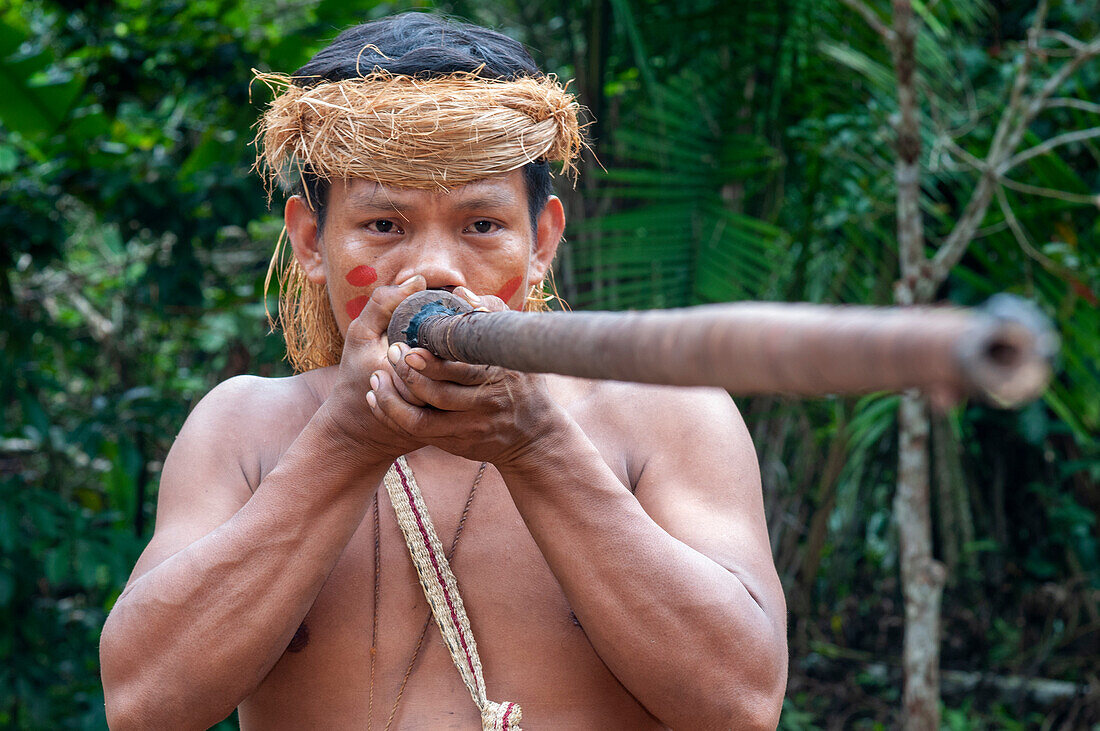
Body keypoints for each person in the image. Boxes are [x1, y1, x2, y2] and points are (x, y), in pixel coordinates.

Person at [99, 13, 787, 730]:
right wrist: (344, 444)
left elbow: (740, 706)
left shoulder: (666, 412)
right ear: (310, 240)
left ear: (542, 238)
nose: (436, 268)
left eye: (481, 225)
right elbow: (143, 705)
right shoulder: (244, 427)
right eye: (385, 225)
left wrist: (538, 446)